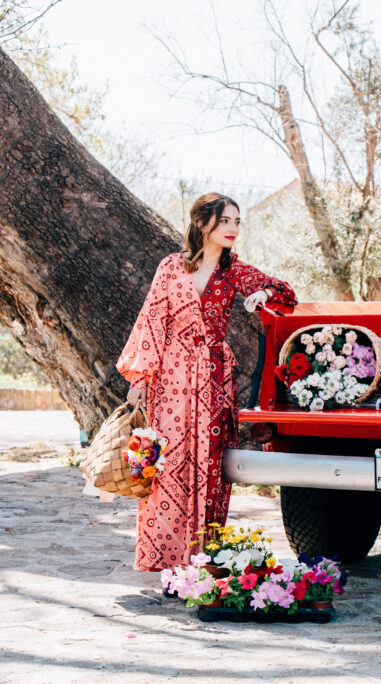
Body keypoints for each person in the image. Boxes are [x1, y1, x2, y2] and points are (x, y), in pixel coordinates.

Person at [116, 192, 296, 571]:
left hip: (214, 376)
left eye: (237, 222)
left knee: (210, 466)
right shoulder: (170, 267)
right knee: (167, 464)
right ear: (202, 224)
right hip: (170, 376)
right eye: (225, 221)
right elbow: (152, 321)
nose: (233, 228)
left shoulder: (235, 271)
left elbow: (285, 292)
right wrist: (139, 377)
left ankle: (202, 558)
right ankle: (163, 559)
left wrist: (261, 292)